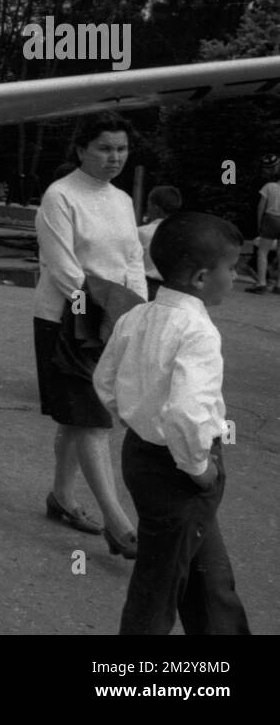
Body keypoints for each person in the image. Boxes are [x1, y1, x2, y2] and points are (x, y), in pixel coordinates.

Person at [94, 212, 251, 634]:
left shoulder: (136, 316)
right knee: (157, 588)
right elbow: (186, 414)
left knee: (205, 572)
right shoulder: (197, 330)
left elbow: (104, 380)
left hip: (143, 457)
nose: (236, 276)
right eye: (232, 267)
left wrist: (137, 415)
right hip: (181, 469)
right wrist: (199, 468)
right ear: (201, 277)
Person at [33, 111, 145, 560]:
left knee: (75, 416)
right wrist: (106, 314)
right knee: (91, 419)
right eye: (103, 148)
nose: (114, 157)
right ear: (81, 149)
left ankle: (61, 497)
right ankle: (119, 524)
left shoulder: (120, 200)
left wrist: (136, 312)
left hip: (112, 318)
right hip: (67, 319)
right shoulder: (60, 196)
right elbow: (62, 269)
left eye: (121, 149)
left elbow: (132, 258)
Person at [138, 185, 181, 300]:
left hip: (147, 287)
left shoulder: (142, 233)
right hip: (174, 290)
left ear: (156, 208)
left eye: (149, 205)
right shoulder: (184, 233)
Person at [246, 153, 280, 294]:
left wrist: (260, 224)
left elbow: (261, 207)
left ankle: (261, 283)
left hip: (271, 219)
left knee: (262, 252)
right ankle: (279, 285)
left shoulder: (269, 186)